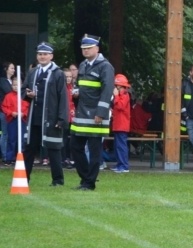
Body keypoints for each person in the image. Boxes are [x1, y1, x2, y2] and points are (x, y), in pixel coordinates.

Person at [70, 34, 115, 191]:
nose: (86, 51)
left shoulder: (106, 67)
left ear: (97, 48)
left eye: (89, 48)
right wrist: (76, 92)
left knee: (95, 151)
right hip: (81, 113)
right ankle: (85, 178)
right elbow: (81, 85)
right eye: (83, 48)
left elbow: (107, 91)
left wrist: (101, 112)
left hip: (96, 114)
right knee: (75, 146)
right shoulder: (83, 65)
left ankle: (89, 183)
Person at [23, 42, 69, 187]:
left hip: (51, 117)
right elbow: (23, 89)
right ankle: (24, 178)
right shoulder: (32, 72)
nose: (42, 57)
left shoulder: (58, 73)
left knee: (53, 148)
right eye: (40, 54)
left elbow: (63, 97)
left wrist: (61, 118)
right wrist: (28, 94)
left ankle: (58, 180)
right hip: (34, 117)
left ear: (51, 56)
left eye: (45, 54)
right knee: (29, 148)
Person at [2, 78, 29, 165]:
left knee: (21, 140)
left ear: (21, 85)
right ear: (11, 85)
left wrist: (24, 114)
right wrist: (11, 113)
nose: (16, 87)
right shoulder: (8, 96)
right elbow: (4, 107)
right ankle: (9, 158)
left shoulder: (25, 96)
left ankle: (20, 157)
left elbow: (28, 107)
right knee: (11, 139)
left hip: (22, 120)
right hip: (12, 120)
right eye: (14, 85)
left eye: (18, 85)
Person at [111, 74, 131, 173]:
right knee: (117, 146)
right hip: (118, 125)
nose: (115, 88)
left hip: (121, 126)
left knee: (121, 146)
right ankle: (120, 164)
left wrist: (116, 96)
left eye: (117, 86)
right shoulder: (122, 95)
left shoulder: (124, 95)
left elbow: (120, 106)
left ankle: (124, 166)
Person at [0, 63, 15, 164]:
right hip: (4, 111)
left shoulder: (12, 81)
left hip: (12, 111)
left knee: (10, 134)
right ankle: (5, 156)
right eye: (12, 68)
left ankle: (9, 155)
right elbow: (9, 91)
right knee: (5, 134)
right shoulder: (2, 81)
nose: (13, 70)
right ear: (6, 69)